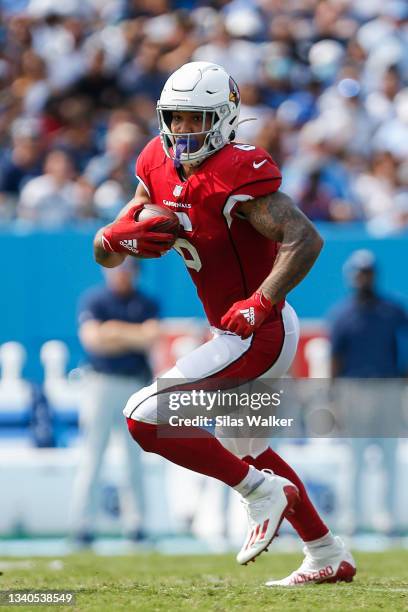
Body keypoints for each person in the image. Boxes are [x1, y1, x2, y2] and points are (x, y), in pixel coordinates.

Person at [93, 61, 356, 586]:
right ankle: (326, 553)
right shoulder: (154, 164)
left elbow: (305, 238)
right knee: (248, 448)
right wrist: (117, 236)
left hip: (257, 329)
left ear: (223, 118)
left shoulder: (238, 170)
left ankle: (259, 492)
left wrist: (261, 300)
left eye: (196, 119)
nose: (184, 130)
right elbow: (106, 254)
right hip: (235, 330)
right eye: (177, 118)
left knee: (145, 417)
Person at [70, 258, 160, 545]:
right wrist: (130, 334)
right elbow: (93, 340)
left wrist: (113, 330)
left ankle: (136, 525)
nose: (120, 274)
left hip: (135, 384)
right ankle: (82, 524)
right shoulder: (94, 299)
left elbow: (150, 338)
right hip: (100, 383)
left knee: (133, 458)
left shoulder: (146, 302)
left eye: (125, 269)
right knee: (92, 454)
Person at [328, 249, 408, 534]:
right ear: (352, 276)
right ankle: (350, 517)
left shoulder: (393, 310)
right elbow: (335, 359)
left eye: (368, 272)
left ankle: (385, 517)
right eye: (359, 273)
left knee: (388, 455)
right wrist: (334, 398)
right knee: (355, 456)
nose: (363, 278)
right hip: (354, 389)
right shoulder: (342, 314)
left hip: (388, 386)